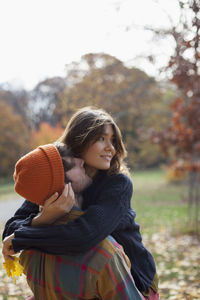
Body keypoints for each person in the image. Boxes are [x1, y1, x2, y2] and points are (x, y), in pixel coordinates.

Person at [2, 107, 159, 299]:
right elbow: (11, 229)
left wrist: (24, 237)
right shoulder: (58, 178)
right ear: (79, 141)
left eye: (113, 140)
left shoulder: (117, 184)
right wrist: (44, 218)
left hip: (130, 280)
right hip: (77, 279)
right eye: (101, 139)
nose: (111, 147)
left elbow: (86, 234)